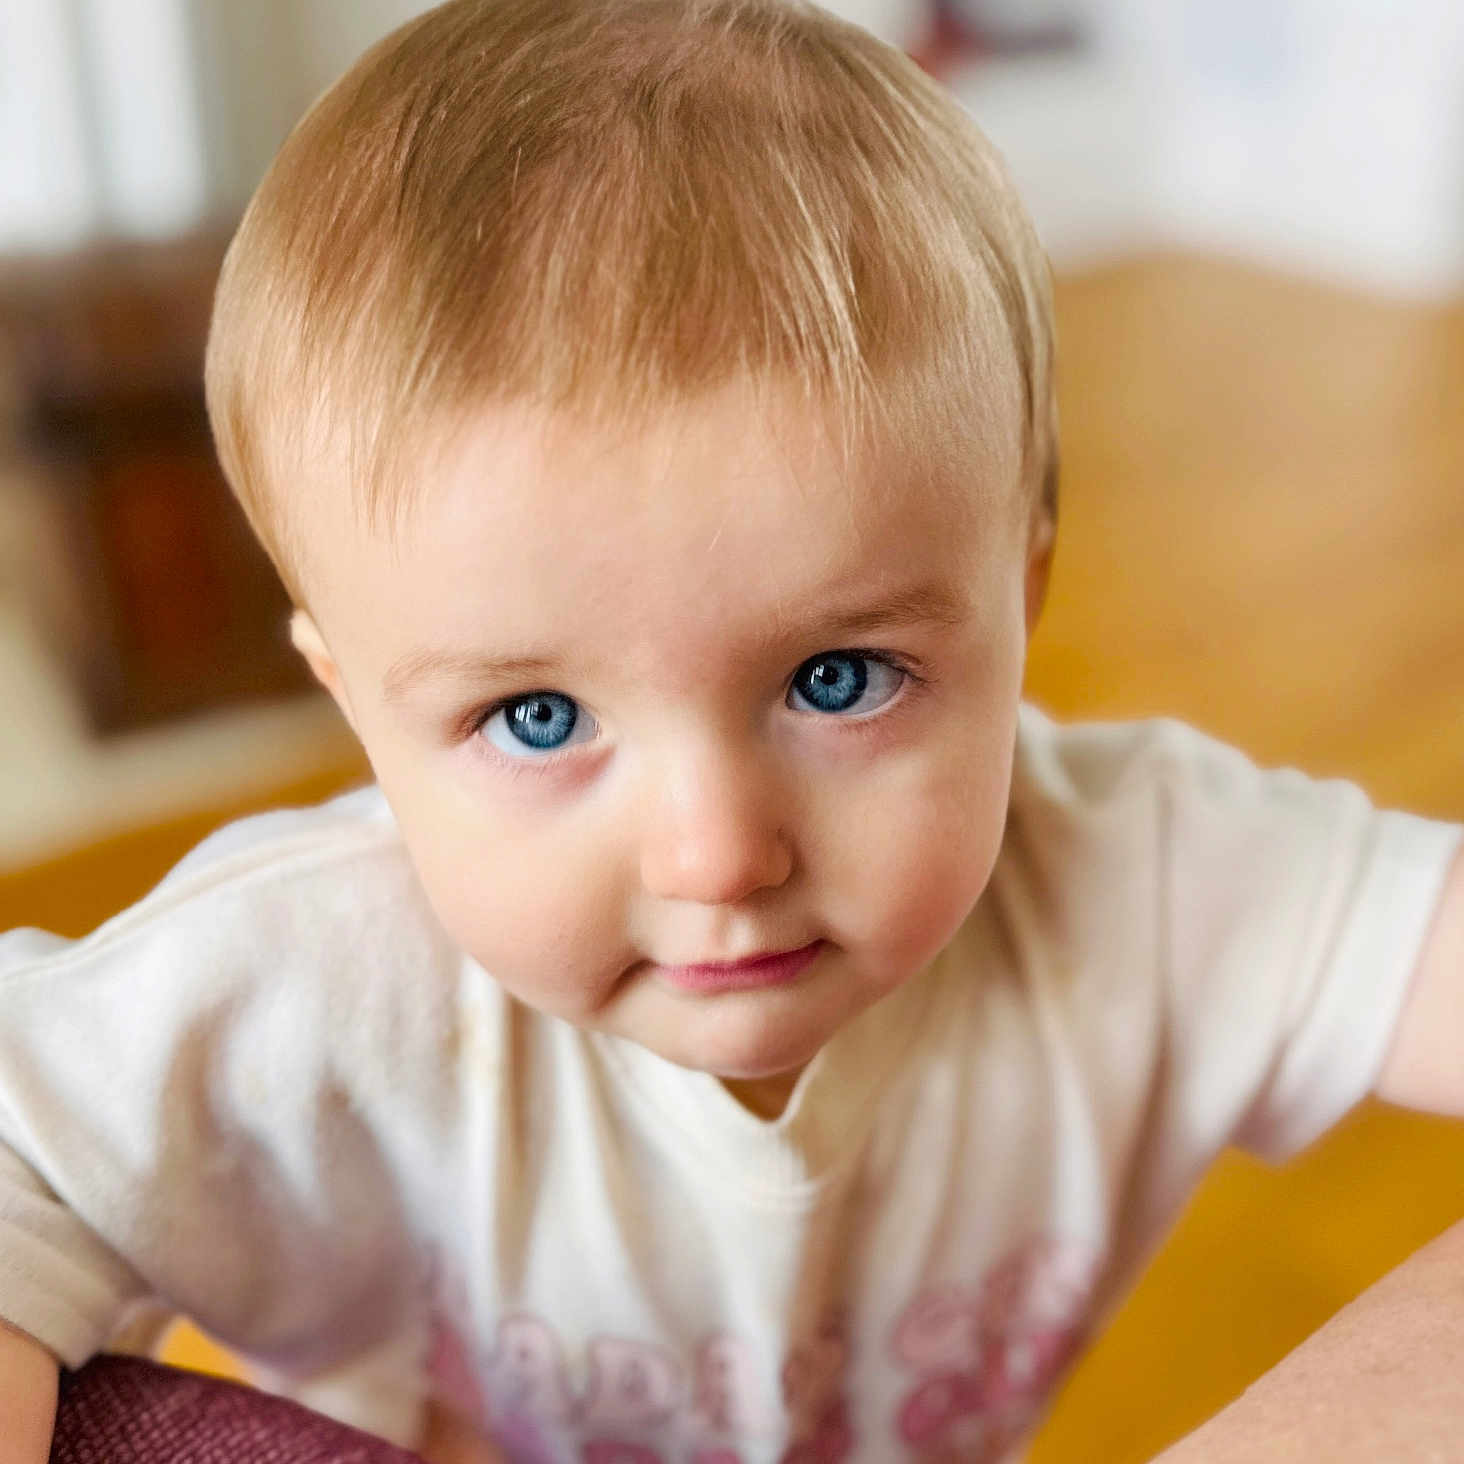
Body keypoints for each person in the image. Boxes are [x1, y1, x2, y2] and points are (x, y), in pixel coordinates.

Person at [1, 1, 1460, 1461]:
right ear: (358, 706)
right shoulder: (317, 979)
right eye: (538, 716)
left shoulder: (1142, 874)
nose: (717, 856)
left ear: (1022, 594)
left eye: (838, 680)